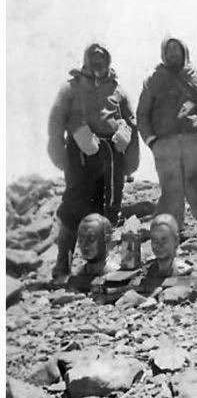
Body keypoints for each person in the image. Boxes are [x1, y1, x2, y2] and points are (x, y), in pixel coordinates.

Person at [47, 43, 139, 284]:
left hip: (110, 158)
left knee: (109, 205)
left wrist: (125, 136)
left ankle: (98, 265)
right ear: (86, 59)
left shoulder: (117, 89)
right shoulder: (71, 87)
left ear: (108, 59)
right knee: (73, 208)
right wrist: (60, 156)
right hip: (81, 157)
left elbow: (130, 120)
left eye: (102, 56)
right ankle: (62, 267)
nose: (98, 61)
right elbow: (56, 121)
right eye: (93, 56)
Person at [137, 37, 197, 268]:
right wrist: (153, 142)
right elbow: (142, 114)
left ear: (185, 51)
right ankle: (167, 256)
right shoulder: (153, 80)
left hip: (195, 143)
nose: (173, 53)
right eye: (168, 49)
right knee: (170, 199)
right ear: (162, 54)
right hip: (166, 147)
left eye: (177, 49)